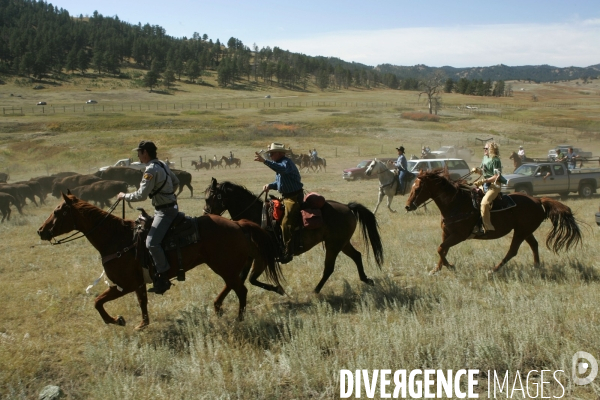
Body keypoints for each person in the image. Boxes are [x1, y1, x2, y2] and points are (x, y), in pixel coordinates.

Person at [117, 141, 180, 294]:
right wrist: (167, 194)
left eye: (139, 152)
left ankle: (163, 276)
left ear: (145, 152)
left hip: (164, 212)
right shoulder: (162, 164)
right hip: (170, 207)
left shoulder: (151, 169)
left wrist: (124, 196)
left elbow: (141, 195)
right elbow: (176, 182)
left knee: (151, 243)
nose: (137, 155)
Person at [254, 142, 303, 264]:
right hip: (286, 197)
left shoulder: (286, 163)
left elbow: (282, 170)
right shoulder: (279, 164)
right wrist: (270, 185)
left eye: (272, 153)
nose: (270, 156)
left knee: (286, 222)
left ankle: (289, 251)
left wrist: (265, 161)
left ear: (280, 153)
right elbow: (280, 183)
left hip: (294, 198)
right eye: (269, 154)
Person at [472, 142, 507, 236]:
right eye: (484, 148)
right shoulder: (485, 158)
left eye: (486, 148)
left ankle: (488, 228)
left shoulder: (496, 160)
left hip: (494, 185)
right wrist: (476, 170)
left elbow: (496, 176)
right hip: (484, 184)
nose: (484, 150)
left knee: (484, 203)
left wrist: (483, 181)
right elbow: (482, 171)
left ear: (491, 150)